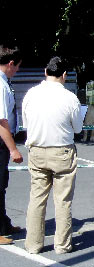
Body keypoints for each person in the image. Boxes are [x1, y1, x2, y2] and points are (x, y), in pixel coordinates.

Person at [22, 56, 83, 254]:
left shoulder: (30, 94)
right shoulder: (70, 98)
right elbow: (77, 128)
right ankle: (62, 245)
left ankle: (33, 244)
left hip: (37, 149)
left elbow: (26, 123)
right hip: (62, 151)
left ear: (45, 72)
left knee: (37, 198)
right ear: (64, 75)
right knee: (63, 200)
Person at [0, 45, 24, 245]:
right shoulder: (0, 85)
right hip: (1, 141)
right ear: (10, 64)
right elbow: (1, 121)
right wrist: (13, 148)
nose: (17, 71)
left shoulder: (4, 82)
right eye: (17, 67)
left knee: (2, 184)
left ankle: (3, 223)